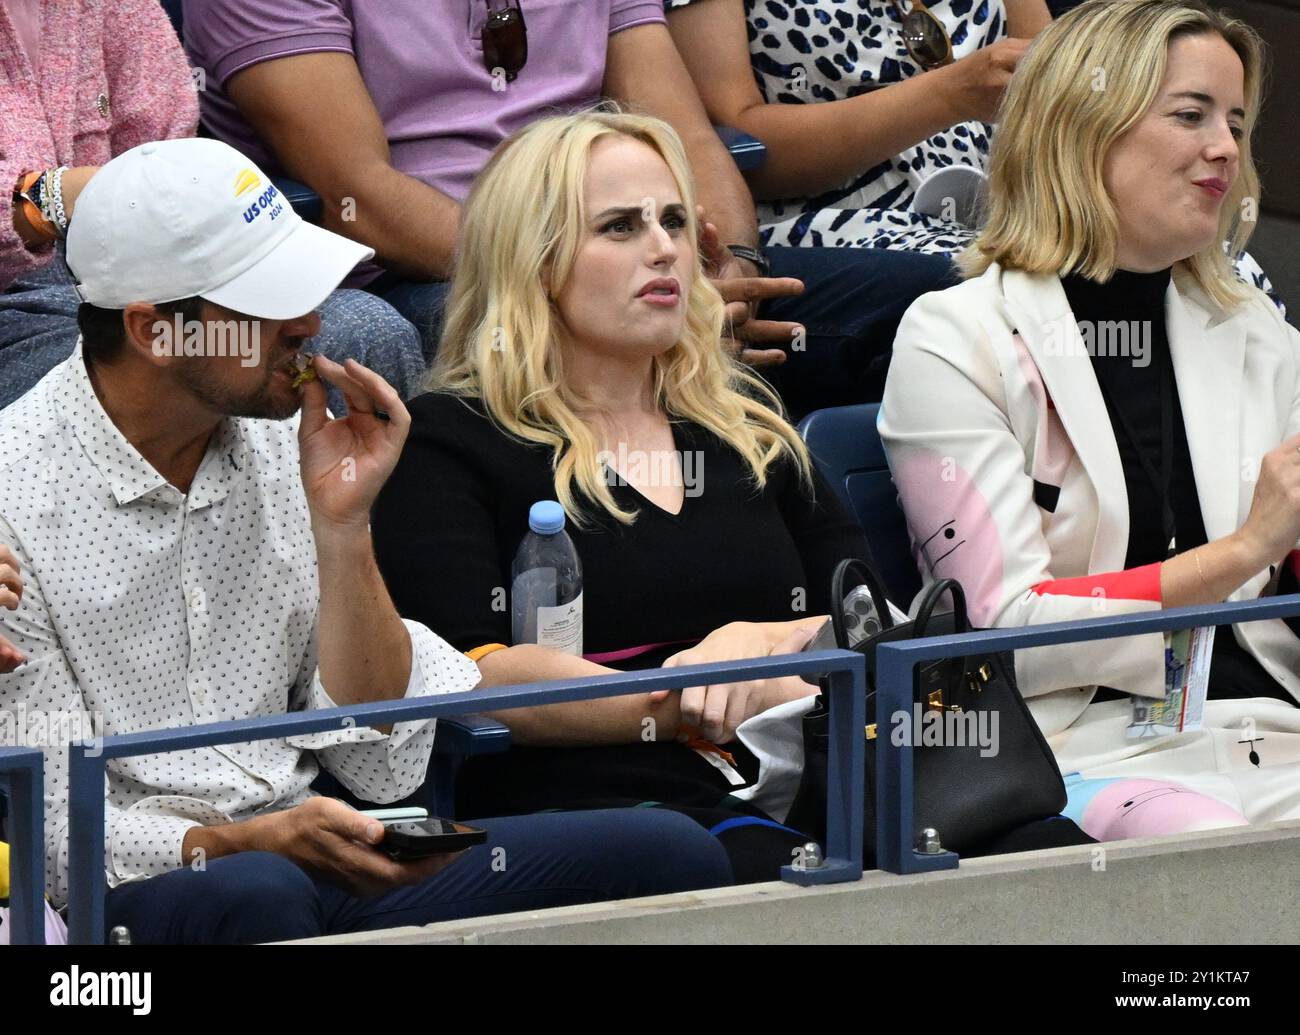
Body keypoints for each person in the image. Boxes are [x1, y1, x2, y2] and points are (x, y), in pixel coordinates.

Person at [0, 137, 733, 944]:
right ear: (153, 331)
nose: (311, 324)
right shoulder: (14, 492)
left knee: (670, 853)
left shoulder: (287, 441)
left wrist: (345, 530)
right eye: (269, 303)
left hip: (323, 852)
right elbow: (56, 834)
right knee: (259, 894)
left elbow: (375, 753)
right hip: (158, 893)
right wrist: (242, 842)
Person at [370, 110, 1090, 878]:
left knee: (1050, 852)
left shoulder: (746, 427)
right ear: (534, 261)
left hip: (818, 780)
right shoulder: (452, 439)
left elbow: (868, 622)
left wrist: (760, 637)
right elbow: (470, 673)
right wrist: (685, 692)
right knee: (755, 869)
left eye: (674, 219)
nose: (664, 248)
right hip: (607, 802)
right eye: (620, 227)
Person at [879, 0, 1300, 841]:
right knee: (1213, 857)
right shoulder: (956, 337)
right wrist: (1246, 550)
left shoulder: (1254, 329)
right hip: (1085, 750)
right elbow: (1007, 635)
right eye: (1191, 115)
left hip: (1275, 731)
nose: (1225, 147)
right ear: (1082, 127)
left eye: (1236, 122)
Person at [181, 0, 961, 417]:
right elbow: (362, 198)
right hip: (442, 272)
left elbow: (687, 137)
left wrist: (728, 271)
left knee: (942, 308)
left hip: (630, 245)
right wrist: (581, 276)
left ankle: (938, 624)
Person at [664, 0, 1281, 307]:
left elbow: (1077, 90)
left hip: (1013, 203)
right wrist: (948, 94)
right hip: (834, 218)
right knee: (1013, 288)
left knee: (1236, 285)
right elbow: (740, 145)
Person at [0, 0, 426, 412]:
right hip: (19, 298)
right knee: (211, 359)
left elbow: (165, 159)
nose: (307, 324)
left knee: (368, 329)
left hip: (144, 266)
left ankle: (321, 487)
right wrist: (41, 202)